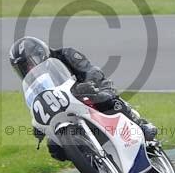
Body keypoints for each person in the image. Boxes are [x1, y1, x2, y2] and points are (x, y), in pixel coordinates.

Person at [9, 37, 159, 162]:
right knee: (55, 148)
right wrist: (40, 125)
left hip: (88, 91)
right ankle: (93, 161)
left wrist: (88, 84)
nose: (28, 69)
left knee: (106, 100)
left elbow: (90, 70)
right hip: (64, 111)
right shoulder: (33, 83)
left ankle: (140, 124)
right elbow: (41, 103)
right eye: (22, 68)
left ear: (41, 53)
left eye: (29, 62)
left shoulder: (65, 54)